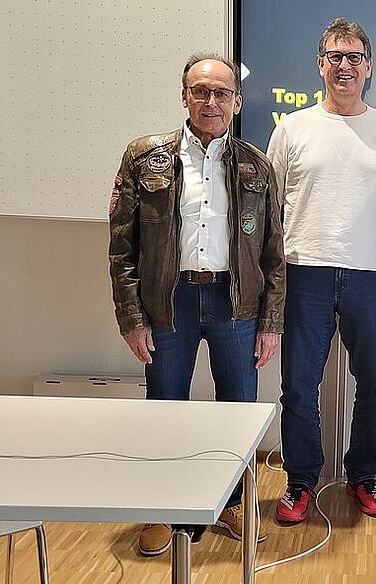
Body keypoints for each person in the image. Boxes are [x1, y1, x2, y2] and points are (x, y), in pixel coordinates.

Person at [108, 53, 284, 556]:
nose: (211, 101)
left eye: (221, 93)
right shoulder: (144, 157)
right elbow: (121, 247)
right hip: (169, 304)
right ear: (184, 96)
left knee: (237, 413)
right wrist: (131, 318)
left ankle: (231, 503)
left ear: (237, 102)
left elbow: (274, 253)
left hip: (236, 304)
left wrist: (270, 323)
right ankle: (163, 508)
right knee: (165, 410)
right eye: (200, 91)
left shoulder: (257, 165)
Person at [266, 18, 376, 523]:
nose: (345, 65)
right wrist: (271, 279)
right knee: (298, 386)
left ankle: (362, 474)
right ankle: (301, 481)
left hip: (370, 276)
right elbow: (269, 212)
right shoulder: (291, 129)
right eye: (336, 56)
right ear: (321, 65)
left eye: (355, 57)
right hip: (304, 272)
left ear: (368, 68)